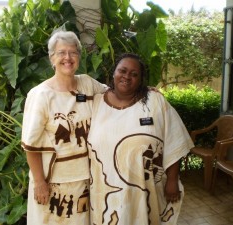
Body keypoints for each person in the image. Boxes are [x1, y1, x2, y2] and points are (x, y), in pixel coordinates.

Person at [87, 53, 194, 225]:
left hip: (146, 190)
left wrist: (172, 180)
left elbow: (174, 140)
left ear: (141, 79)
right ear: (114, 72)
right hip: (106, 191)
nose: (127, 76)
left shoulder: (155, 102)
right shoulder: (95, 102)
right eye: (122, 70)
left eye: (134, 74)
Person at [21, 30, 106, 225]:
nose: (68, 57)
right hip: (52, 184)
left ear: (79, 56)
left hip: (84, 179)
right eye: (61, 53)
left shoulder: (87, 85)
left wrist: (144, 92)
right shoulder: (40, 95)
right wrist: (40, 182)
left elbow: (114, 96)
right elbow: (30, 145)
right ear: (52, 58)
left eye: (73, 52)